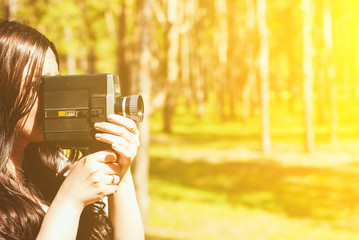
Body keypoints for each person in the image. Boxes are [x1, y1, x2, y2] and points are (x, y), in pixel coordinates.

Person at [0, 19, 144, 240]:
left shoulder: (54, 172)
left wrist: (120, 173)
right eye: (35, 85)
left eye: (54, 84)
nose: (51, 97)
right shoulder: (69, 187)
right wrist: (70, 201)